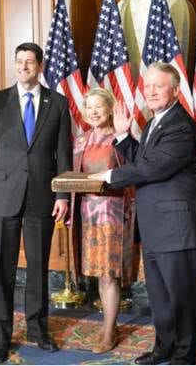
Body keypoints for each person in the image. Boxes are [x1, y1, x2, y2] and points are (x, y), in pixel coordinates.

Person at [90, 62, 196, 365]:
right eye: (148, 86)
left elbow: (154, 168)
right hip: (157, 227)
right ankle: (164, 348)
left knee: (182, 297)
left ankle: (184, 355)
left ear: (176, 90)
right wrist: (122, 137)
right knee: (160, 297)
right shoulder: (158, 121)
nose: (151, 91)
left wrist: (111, 176)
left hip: (177, 227)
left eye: (159, 85)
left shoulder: (180, 124)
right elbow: (147, 158)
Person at [0, 42, 72, 364]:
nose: (23, 67)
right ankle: (1, 338)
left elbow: (64, 154)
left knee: (38, 268)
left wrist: (64, 195)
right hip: (5, 197)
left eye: (29, 62)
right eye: (19, 61)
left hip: (42, 197)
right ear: (14, 66)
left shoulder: (59, 104)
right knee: (1, 270)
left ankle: (38, 331)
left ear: (39, 66)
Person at [72, 88, 137, 354]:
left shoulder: (120, 138)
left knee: (110, 276)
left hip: (114, 215)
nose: (94, 112)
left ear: (110, 108)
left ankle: (109, 331)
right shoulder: (80, 140)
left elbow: (134, 171)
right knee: (100, 275)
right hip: (87, 215)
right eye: (89, 108)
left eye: (99, 107)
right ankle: (110, 322)